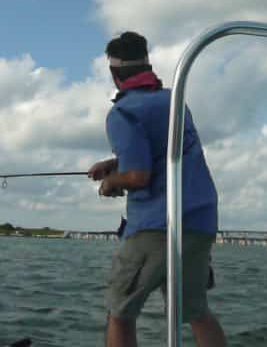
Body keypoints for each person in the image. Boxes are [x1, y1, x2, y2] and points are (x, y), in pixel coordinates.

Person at [88, 32, 227, 347]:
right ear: (147, 64)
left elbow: (139, 177)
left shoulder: (122, 113)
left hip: (155, 226)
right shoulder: (174, 101)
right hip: (199, 221)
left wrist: (113, 182)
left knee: (119, 313)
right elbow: (164, 152)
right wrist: (115, 163)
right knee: (195, 311)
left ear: (114, 74)